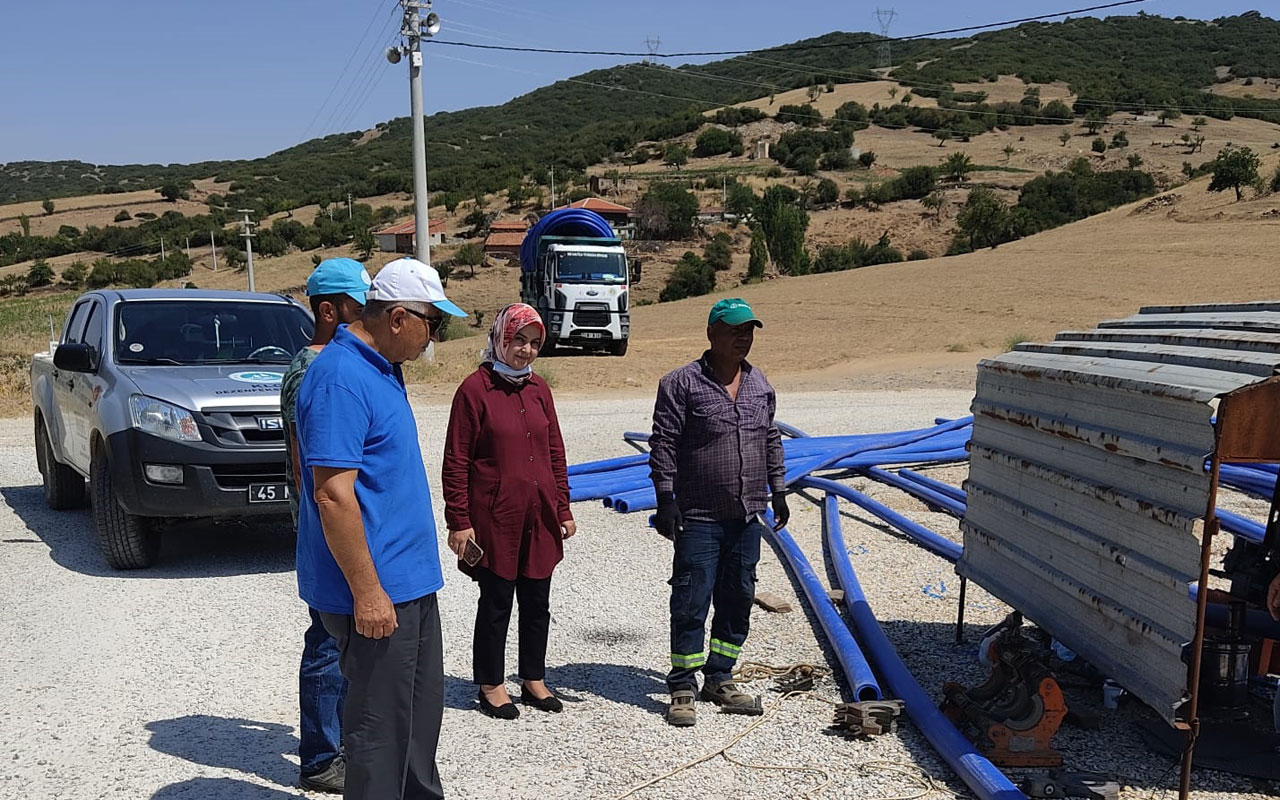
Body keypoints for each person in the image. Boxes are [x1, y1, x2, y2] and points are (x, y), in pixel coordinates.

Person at [295, 257, 465, 800]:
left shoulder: (381, 369)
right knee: (377, 735)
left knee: (416, 722)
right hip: (375, 594)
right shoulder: (340, 379)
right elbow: (332, 494)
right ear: (397, 317)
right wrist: (368, 593)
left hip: (409, 585)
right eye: (431, 323)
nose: (433, 336)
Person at [648, 298, 789, 727]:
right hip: (700, 516)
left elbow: (770, 438)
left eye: (749, 330)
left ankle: (720, 676)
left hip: (747, 515)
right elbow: (664, 443)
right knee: (691, 598)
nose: (743, 338)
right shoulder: (681, 384)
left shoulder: (759, 383)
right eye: (734, 330)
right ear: (712, 333)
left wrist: (778, 490)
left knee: (738, 596)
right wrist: (666, 499)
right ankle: (683, 684)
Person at [442, 303, 576, 720]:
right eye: (519, 339)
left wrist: (563, 507)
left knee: (538, 600)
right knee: (496, 601)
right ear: (501, 337)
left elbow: (555, 451)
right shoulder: (474, 390)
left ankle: (533, 677)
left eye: (535, 343)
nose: (526, 350)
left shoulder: (539, 390)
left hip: (539, 516)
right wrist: (459, 521)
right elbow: (456, 460)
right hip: (495, 518)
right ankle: (491, 683)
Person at [282, 258, 369, 793]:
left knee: (347, 637)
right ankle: (319, 758)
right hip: (325, 523)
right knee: (326, 640)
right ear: (330, 311)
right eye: (361, 309)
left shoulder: (341, 362)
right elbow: (304, 463)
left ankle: (342, 740)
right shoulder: (309, 369)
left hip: (345, 522)